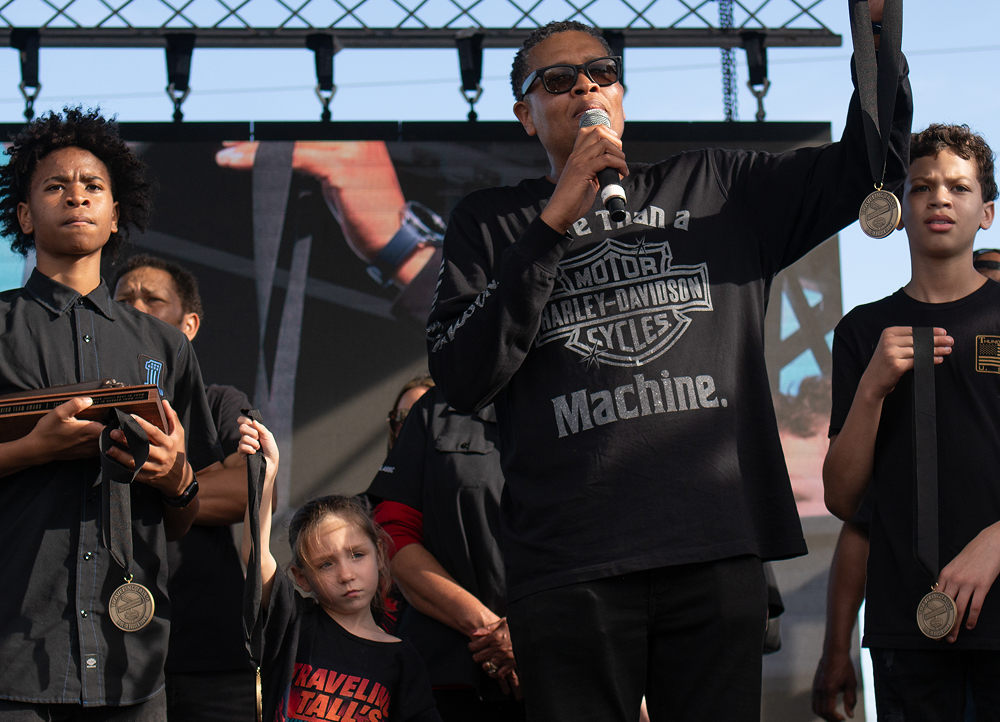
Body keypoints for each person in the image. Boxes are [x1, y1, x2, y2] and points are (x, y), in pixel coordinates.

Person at [425, 8, 910, 721]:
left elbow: (864, 169)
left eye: (602, 73)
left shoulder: (717, 188)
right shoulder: (491, 223)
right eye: (558, 80)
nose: (586, 88)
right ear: (526, 114)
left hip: (712, 547)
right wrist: (552, 223)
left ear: (620, 96)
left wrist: (878, 43)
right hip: (569, 565)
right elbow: (462, 374)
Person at [0, 108, 223, 719]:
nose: (76, 195)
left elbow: (182, 517)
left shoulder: (166, 347)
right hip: (13, 656)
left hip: (133, 667)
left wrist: (178, 479)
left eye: (93, 185)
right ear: (23, 215)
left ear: (116, 213)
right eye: (54, 185)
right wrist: (34, 449)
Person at [824, 124, 1000, 720]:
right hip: (907, 628)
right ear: (899, 211)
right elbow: (845, 499)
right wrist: (873, 386)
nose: (940, 198)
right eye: (922, 187)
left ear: (987, 213)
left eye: (959, 186)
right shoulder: (859, 332)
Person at [113, 254, 257, 722]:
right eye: (122, 300)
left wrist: (156, 479)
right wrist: (191, 483)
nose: (135, 308)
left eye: (152, 299)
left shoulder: (219, 402)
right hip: (113, 655)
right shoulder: (88, 407)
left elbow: (247, 491)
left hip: (210, 653)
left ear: (189, 324)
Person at [237, 417, 442, 722]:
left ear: (380, 556)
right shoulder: (295, 623)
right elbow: (255, 554)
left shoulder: (401, 659)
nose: (346, 574)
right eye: (326, 564)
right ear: (302, 578)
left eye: (357, 555)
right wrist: (267, 473)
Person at [368, 385, 526, 721]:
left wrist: (527, 631)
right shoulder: (433, 409)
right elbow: (393, 534)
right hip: (445, 679)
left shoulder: (574, 396)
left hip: (556, 667)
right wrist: (491, 631)